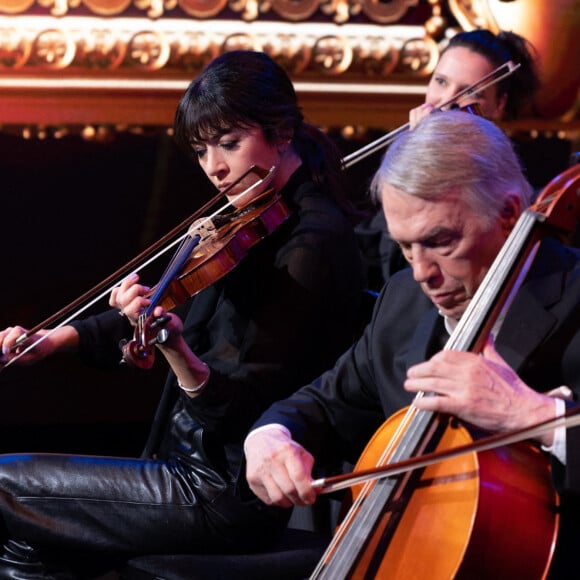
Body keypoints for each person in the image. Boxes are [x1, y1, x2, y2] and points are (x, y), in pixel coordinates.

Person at [0, 50, 365, 577]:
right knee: (34, 550)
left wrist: (177, 351)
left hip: (225, 490)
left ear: (281, 132)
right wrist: (56, 339)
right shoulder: (247, 221)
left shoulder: (312, 245)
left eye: (229, 144)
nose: (214, 168)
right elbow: (169, 304)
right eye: (201, 151)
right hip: (181, 466)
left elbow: (250, 408)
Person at [245, 110, 580, 578]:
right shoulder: (403, 301)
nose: (422, 272)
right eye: (405, 247)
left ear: (507, 214)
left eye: (440, 241)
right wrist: (269, 438)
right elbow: (322, 403)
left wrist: (534, 416)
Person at [356, 28, 541, 292]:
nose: (445, 103)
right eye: (440, 82)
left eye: (469, 92)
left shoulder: (503, 187)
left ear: (499, 105)